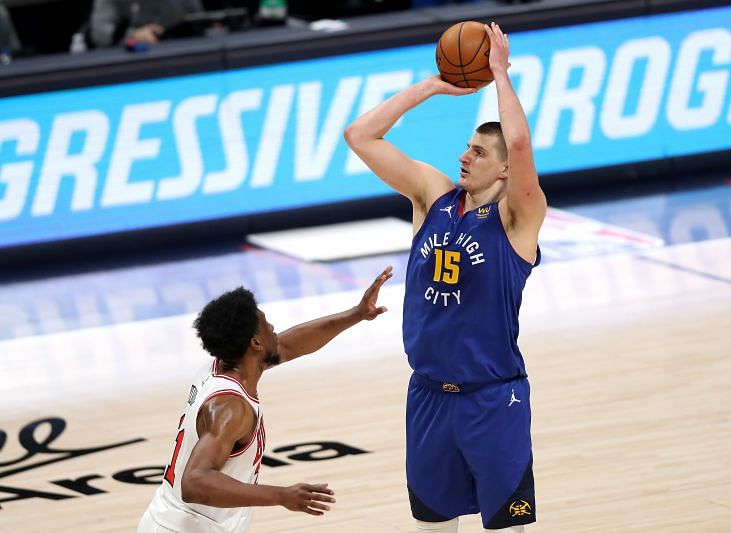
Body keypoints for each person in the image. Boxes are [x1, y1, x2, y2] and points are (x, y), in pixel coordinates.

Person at [345, 22, 546, 532]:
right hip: (429, 395)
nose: (464, 156)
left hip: (493, 399)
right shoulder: (432, 197)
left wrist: (499, 73)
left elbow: (519, 144)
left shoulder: (517, 219)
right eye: (467, 147)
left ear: (503, 172)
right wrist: (433, 86)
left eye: (479, 153)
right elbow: (360, 135)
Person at [138, 266, 393, 532]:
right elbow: (194, 482)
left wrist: (355, 314)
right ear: (255, 344)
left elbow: (290, 345)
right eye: (265, 323)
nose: (273, 327)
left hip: (169, 519)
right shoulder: (230, 407)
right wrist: (281, 496)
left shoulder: (226, 365)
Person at [90, 0, 203, 48]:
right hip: (130, 59)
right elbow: (100, 32)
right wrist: (132, 36)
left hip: (175, 49)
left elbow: (196, 17)